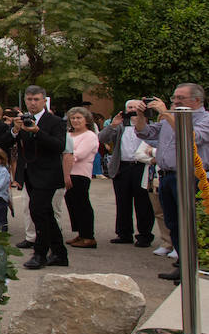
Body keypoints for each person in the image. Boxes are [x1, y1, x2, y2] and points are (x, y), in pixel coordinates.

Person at [132, 83, 209, 283]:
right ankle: (183, 265)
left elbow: (191, 137)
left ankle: (196, 268)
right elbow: (145, 132)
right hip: (167, 176)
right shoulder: (169, 119)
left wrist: (167, 113)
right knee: (173, 224)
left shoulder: (205, 119)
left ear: (197, 100)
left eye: (180, 98)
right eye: (174, 97)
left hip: (190, 178)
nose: (175, 101)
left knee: (190, 223)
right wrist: (141, 115)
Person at [12, 85, 70, 271]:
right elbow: (7, 141)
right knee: (45, 213)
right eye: (29, 99)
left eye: (36, 99)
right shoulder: (22, 120)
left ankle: (40, 253)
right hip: (30, 173)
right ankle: (59, 253)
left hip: (48, 174)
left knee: (38, 211)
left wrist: (37, 132)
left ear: (44, 100)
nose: (33, 103)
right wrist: (15, 129)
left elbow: (59, 146)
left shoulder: (55, 122)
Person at [98, 101, 155, 246]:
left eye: (136, 108)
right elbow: (101, 139)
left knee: (143, 203)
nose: (133, 111)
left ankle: (144, 235)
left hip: (141, 166)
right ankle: (124, 233)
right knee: (122, 201)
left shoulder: (150, 125)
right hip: (122, 167)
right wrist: (113, 125)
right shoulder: (120, 126)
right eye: (130, 108)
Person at [63, 107, 99, 249]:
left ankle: (88, 236)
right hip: (67, 172)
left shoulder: (90, 135)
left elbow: (77, 155)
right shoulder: (69, 134)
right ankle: (81, 233)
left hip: (80, 174)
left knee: (82, 204)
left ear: (86, 120)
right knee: (72, 203)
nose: (75, 121)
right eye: (73, 118)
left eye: (79, 118)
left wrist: (65, 158)